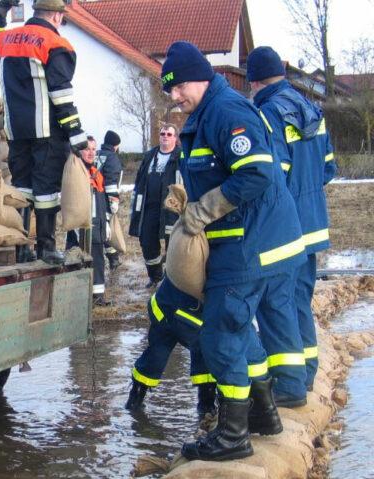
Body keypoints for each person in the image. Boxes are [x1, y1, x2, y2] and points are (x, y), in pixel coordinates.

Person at [162, 41, 306, 461]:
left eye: (179, 87)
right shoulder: (209, 112)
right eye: (169, 89)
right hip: (254, 241)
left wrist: (202, 212)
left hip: (251, 244)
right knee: (240, 330)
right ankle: (264, 415)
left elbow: (257, 173)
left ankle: (232, 436)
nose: (174, 97)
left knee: (220, 332)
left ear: (200, 77)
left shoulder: (227, 112)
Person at [248, 46, 337, 401]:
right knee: (300, 299)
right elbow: (329, 167)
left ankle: (290, 384)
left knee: (278, 304)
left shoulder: (269, 112)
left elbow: (274, 175)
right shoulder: (314, 110)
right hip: (314, 222)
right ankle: (308, 374)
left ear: (254, 81)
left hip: (285, 229)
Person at [0, 0, 88, 265]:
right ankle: (46, 248)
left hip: (16, 130)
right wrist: (76, 134)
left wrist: (0, 12)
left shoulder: (6, 38)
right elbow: (61, 93)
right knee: (46, 190)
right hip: (47, 130)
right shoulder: (56, 43)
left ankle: (21, 247)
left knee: (22, 188)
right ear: (56, 16)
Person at [124, 277, 217, 417]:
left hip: (163, 305)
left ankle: (134, 402)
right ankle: (206, 408)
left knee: (156, 355)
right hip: (190, 315)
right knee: (204, 354)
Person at [129, 124, 182, 289]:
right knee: (147, 242)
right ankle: (155, 277)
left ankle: (171, 281)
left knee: (173, 243)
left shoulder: (181, 156)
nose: (165, 136)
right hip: (149, 208)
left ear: (175, 138)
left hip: (171, 209)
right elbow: (139, 180)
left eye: (169, 134)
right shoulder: (150, 155)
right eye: (162, 133)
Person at [65, 137, 112, 306]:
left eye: (94, 149)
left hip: (97, 225)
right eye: (87, 149)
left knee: (98, 261)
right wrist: (76, 225)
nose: (91, 152)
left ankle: (97, 297)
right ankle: (76, 297)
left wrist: (106, 221)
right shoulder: (75, 171)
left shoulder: (96, 173)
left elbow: (102, 200)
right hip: (81, 226)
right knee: (76, 260)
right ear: (79, 151)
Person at [97, 130, 124, 271]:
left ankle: (114, 259)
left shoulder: (96, 154)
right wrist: (114, 202)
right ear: (115, 145)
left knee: (102, 229)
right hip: (104, 199)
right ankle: (113, 260)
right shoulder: (112, 158)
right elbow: (112, 181)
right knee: (106, 230)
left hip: (93, 197)